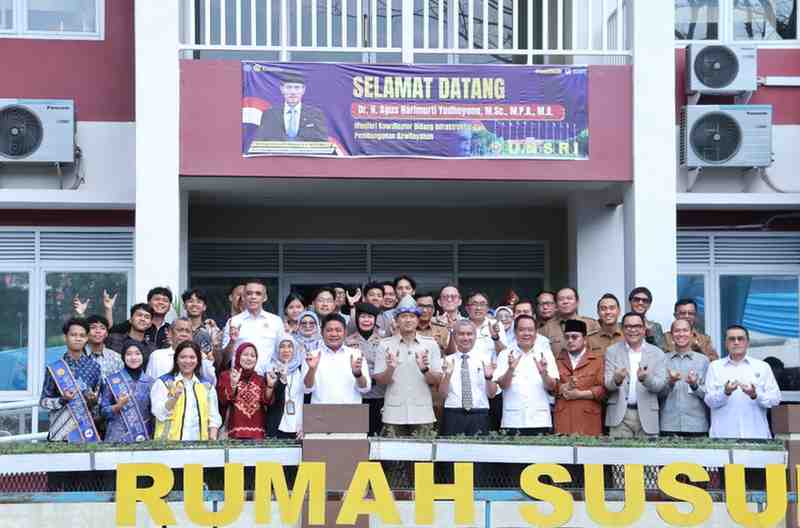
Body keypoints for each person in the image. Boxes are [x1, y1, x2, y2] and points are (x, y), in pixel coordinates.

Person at [373, 297, 442, 436]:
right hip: (394, 413)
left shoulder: (430, 344)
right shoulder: (385, 345)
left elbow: (437, 380)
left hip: (422, 413)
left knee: (422, 456)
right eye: (403, 316)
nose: (408, 320)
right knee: (393, 455)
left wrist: (425, 370)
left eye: (412, 316)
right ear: (396, 320)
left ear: (417, 319)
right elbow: (380, 382)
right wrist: (390, 368)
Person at [704, 325, 781, 439]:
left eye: (740, 338)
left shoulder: (762, 367)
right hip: (723, 436)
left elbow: (775, 400)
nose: (736, 342)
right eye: (732, 339)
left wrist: (755, 395)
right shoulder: (715, 367)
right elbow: (709, 401)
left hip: (756, 435)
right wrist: (725, 392)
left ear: (747, 343)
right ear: (726, 343)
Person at [604, 312, 666, 437]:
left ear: (644, 329)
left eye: (637, 326)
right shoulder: (612, 351)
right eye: (628, 326)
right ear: (622, 329)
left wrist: (646, 379)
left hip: (648, 415)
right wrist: (616, 380)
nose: (633, 330)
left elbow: (660, 386)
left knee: (648, 455)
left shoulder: (657, 353)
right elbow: (608, 385)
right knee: (620, 456)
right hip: (620, 416)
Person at [493, 315, 558, 435]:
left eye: (530, 330)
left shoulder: (545, 353)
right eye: (522, 330)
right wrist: (511, 369)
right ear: (515, 332)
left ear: (536, 332)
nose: (526, 333)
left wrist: (544, 373)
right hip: (512, 420)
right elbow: (502, 385)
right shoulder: (505, 354)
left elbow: (552, 386)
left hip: (540, 420)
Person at [40, 318, 102, 442]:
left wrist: (93, 401)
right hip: (60, 430)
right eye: (73, 335)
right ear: (65, 337)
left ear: (86, 339)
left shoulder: (95, 367)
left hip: (87, 431)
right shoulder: (54, 368)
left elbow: (100, 401)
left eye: (82, 335)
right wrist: (63, 399)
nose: (78, 338)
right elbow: (43, 402)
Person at [151, 341, 222, 440]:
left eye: (192, 357)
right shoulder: (164, 383)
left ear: (198, 361)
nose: (187, 361)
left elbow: (214, 417)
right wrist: (174, 398)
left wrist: (212, 439)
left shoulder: (206, 386)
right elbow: (159, 413)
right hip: (168, 447)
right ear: (176, 359)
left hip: (199, 446)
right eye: (183, 357)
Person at [438, 320, 497, 436]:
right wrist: (447, 376)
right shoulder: (446, 361)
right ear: (454, 336)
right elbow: (442, 395)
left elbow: (492, 394)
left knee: (479, 452)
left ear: (475, 336)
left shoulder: (486, 360)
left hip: (479, 413)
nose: (465, 338)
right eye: (461, 334)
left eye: (469, 334)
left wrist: (489, 378)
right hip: (453, 413)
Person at [552, 320, 606, 436]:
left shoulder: (597, 360)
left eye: (574, 337)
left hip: (588, 418)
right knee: (562, 453)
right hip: (563, 417)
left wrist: (581, 394)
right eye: (567, 337)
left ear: (585, 340)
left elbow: (603, 390)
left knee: (589, 453)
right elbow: (551, 387)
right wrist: (563, 388)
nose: (570, 341)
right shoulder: (557, 360)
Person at [303, 314, 372, 404]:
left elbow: (365, 389)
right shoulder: (312, 356)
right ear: (321, 332)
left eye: (338, 330)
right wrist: (311, 370)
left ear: (345, 332)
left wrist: (358, 374)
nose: (334, 334)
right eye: (329, 330)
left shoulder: (356, 354)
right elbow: (306, 389)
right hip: (320, 412)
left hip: (351, 410)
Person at [222, 279, 285, 374]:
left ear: (265, 298)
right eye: (249, 293)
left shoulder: (276, 321)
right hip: (239, 380)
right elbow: (225, 359)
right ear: (243, 297)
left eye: (258, 293)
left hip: (268, 379)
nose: (253, 297)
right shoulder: (234, 321)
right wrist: (232, 341)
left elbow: (282, 353)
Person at [659, 319, 710, 437]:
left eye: (685, 330)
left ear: (692, 334)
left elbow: (709, 396)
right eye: (677, 331)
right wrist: (670, 383)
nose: (681, 334)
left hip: (697, 425)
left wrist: (694, 385)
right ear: (671, 335)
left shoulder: (703, 361)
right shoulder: (662, 359)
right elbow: (657, 394)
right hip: (668, 424)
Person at [249, 72, 329, 143]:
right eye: (289, 87)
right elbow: (260, 141)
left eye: (297, 88)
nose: (293, 92)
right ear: (282, 89)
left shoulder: (315, 114)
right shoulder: (270, 114)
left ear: (303, 90)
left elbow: (322, 141)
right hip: (277, 157)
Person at [99, 341, 155, 442]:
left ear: (143, 356)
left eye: (137, 353)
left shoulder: (151, 382)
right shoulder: (112, 380)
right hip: (117, 436)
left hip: (142, 435)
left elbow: (154, 413)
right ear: (123, 357)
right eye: (129, 354)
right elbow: (103, 412)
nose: (133, 358)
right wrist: (118, 406)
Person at [217, 342, 275, 440]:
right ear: (238, 356)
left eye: (253, 356)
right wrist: (233, 384)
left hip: (257, 436)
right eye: (245, 354)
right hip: (233, 435)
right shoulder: (227, 376)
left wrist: (270, 385)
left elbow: (267, 401)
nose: (249, 358)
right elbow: (223, 400)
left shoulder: (260, 379)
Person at [345, 302, 384, 436]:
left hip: (378, 394)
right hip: (356, 395)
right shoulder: (348, 342)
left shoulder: (384, 341)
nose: (366, 320)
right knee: (356, 434)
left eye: (370, 317)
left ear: (375, 320)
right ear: (357, 319)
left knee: (376, 435)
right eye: (362, 317)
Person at [146, 317, 217, 386]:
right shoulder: (157, 356)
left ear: (191, 336)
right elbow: (149, 385)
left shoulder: (200, 357)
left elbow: (211, 383)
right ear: (170, 333)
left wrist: (204, 360)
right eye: (180, 330)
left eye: (187, 331)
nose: (184, 334)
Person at [541, 287, 600, 356]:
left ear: (577, 302)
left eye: (569, 298)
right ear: (556, 304)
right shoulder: (546, 329)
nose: (565, 302)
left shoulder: (592, 324)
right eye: (561, 299)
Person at [109, 287, 172, 351]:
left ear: (169, 306)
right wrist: (108, 309)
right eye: (157, 299)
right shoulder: (135, 323)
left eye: (165, 300)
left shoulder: (171, 329)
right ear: (148, 302)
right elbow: (109, 331)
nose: (161, 302)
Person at [266, 337, 306, 439]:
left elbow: (309, 398)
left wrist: (308, 424)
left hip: (300, 427)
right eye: (282, 346)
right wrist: (282, 379)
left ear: (295, 349)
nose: (286, 350)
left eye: (290, 346)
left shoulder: (303, 369)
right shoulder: (271, 371)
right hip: (278, 426)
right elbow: (270, 400)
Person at [182, 289, 221, 363]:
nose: (194, 304)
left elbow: (218, 360)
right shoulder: (179, 328)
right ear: (184, 305)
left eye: (198, 302)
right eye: (190, 301)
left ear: (204, 307)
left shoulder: (212, 329)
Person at [85, 315, 123, 379]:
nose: (98, 331)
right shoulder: (78, 356)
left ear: (106, 333)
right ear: (86, 332)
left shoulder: (116, 358)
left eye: (102, 328)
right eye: (93, 327)